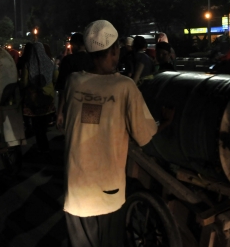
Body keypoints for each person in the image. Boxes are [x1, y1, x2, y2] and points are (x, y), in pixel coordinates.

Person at [60, 20, 158, 247]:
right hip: (108, 190)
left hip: (76, 188)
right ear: (115, 50)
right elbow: (144, 135)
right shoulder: (125, 87)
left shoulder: (73, 82)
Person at [22, 42, 58, 153]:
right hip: (48, 98)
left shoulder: (28, 64)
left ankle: (41, 145)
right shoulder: (50, 64)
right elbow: (56, 79)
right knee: (43, 124)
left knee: (37, 125)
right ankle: (45, 144)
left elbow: (24, 82)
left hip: (34, 99)